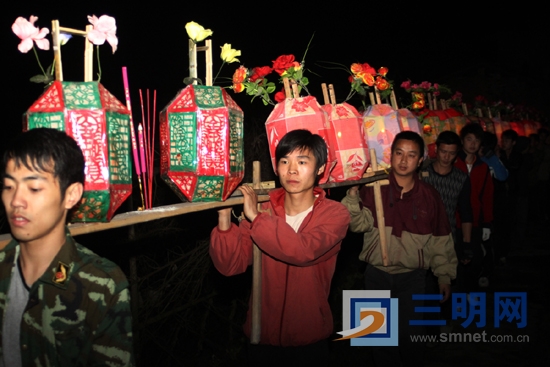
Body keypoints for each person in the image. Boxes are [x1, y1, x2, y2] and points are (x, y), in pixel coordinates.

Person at [210, 129, 350, 366]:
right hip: (262, 338)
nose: (291, 170)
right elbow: (230, 266)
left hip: (309, 341)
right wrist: (224, 220)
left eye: (302, 162)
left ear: (320, 169)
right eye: (284, 161)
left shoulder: (335, 214)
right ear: (276, 168)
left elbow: (302, 251)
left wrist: (256, 218)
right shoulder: (264, 210)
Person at [0, 128, 134, 367]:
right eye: (9, 186)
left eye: (34, 188)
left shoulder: (102, 285)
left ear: (71, 195)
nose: (16, 201)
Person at [341, 131, 457, 367]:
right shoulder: (373, 188)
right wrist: (352, 195)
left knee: (410, 339)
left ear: (421, 159)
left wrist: (444, 275)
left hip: (412, 278)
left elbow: (440, 238)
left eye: (411, 155)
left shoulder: (429, 197)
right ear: (390, 155)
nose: (404, 161)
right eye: (399, 153)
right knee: (375, 339)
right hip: (375, 273)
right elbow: (357, 225)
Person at [455, 123, 494, 290]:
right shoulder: (454, 162)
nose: (472, 143)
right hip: (455, 220)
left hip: (476, 220)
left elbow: (487, 196)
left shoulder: (483, 167)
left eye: (476, 140)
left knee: (474, 259)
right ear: (462, 141)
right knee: (455, 260)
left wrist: (487, 223)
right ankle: (455, 296)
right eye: (469, 139)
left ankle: (470, 291)